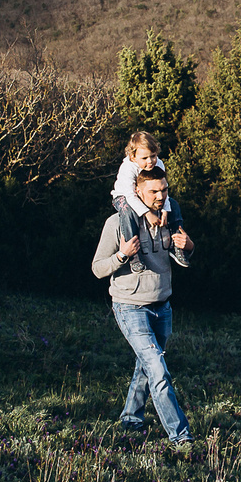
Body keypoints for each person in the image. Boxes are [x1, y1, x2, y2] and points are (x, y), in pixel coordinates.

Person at [91, 166, 194, 445]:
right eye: (153, 191)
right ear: (138, 192)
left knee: (146, 367)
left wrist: (189, 246)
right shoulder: (117, 223)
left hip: (162, 306)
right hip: (130, 306)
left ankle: (131, 418)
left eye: (165, 190)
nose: (161, 196)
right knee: (158, 370)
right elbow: (98, 268)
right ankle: (180, 437)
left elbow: (183, 256)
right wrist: (123, 255)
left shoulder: (170, 219)